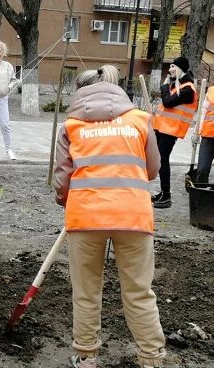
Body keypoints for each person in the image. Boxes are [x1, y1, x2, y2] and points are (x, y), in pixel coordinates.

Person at [53, 65, 165, 368]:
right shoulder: (141, 120)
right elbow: (152, 169)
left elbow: (62, 180)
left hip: (86, 219)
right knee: (140, 292)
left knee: (86, 291)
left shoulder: (72, 125)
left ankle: (86, 356)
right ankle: (152, 357)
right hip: (134, 217)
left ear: (80, 91)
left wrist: (65, 201)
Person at [151, 56, 198, 208]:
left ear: (180, 69)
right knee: (160, 160)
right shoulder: (177, 85)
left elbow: (168, 102)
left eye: (172, 67)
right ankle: (163, 193)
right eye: (169, 66)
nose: (169, 69)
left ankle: (166, 196)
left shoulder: (187, 89)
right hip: (162, 128)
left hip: (171, 130)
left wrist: (164, 87)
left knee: (162, 159)